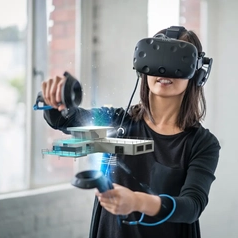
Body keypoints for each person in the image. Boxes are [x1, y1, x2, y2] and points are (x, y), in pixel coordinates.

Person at [41, 26, 221, 238]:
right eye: (157, 57)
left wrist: (137, 202)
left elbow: (192, 206)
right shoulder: (118, 123)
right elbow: (67, 120)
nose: (164, 70)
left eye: (177, 61)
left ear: (198, 73)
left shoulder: (202, 143)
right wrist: (55, 103)